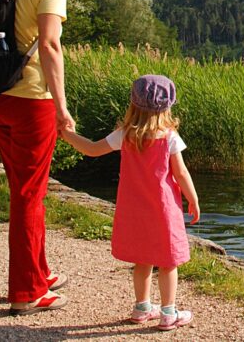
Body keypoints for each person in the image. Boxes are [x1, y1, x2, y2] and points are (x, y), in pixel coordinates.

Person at [0, 0, 93, 315]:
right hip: (33, 99)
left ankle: (39, 273)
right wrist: (62, 107)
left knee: (24, 194)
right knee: (30, 198)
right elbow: (50, 45)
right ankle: (26, 292)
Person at [60, 74, 200, 331]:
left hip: (134, 210)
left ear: (133, 104)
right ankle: (169, 312)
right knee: (168, 262)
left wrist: (68, 135)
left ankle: (142, 307)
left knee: (142, 259)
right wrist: (192, 198)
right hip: (163, 210)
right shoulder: (168, 137)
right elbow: (180, 173)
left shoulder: (125, 134)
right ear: (167, 106)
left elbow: (91, 149)